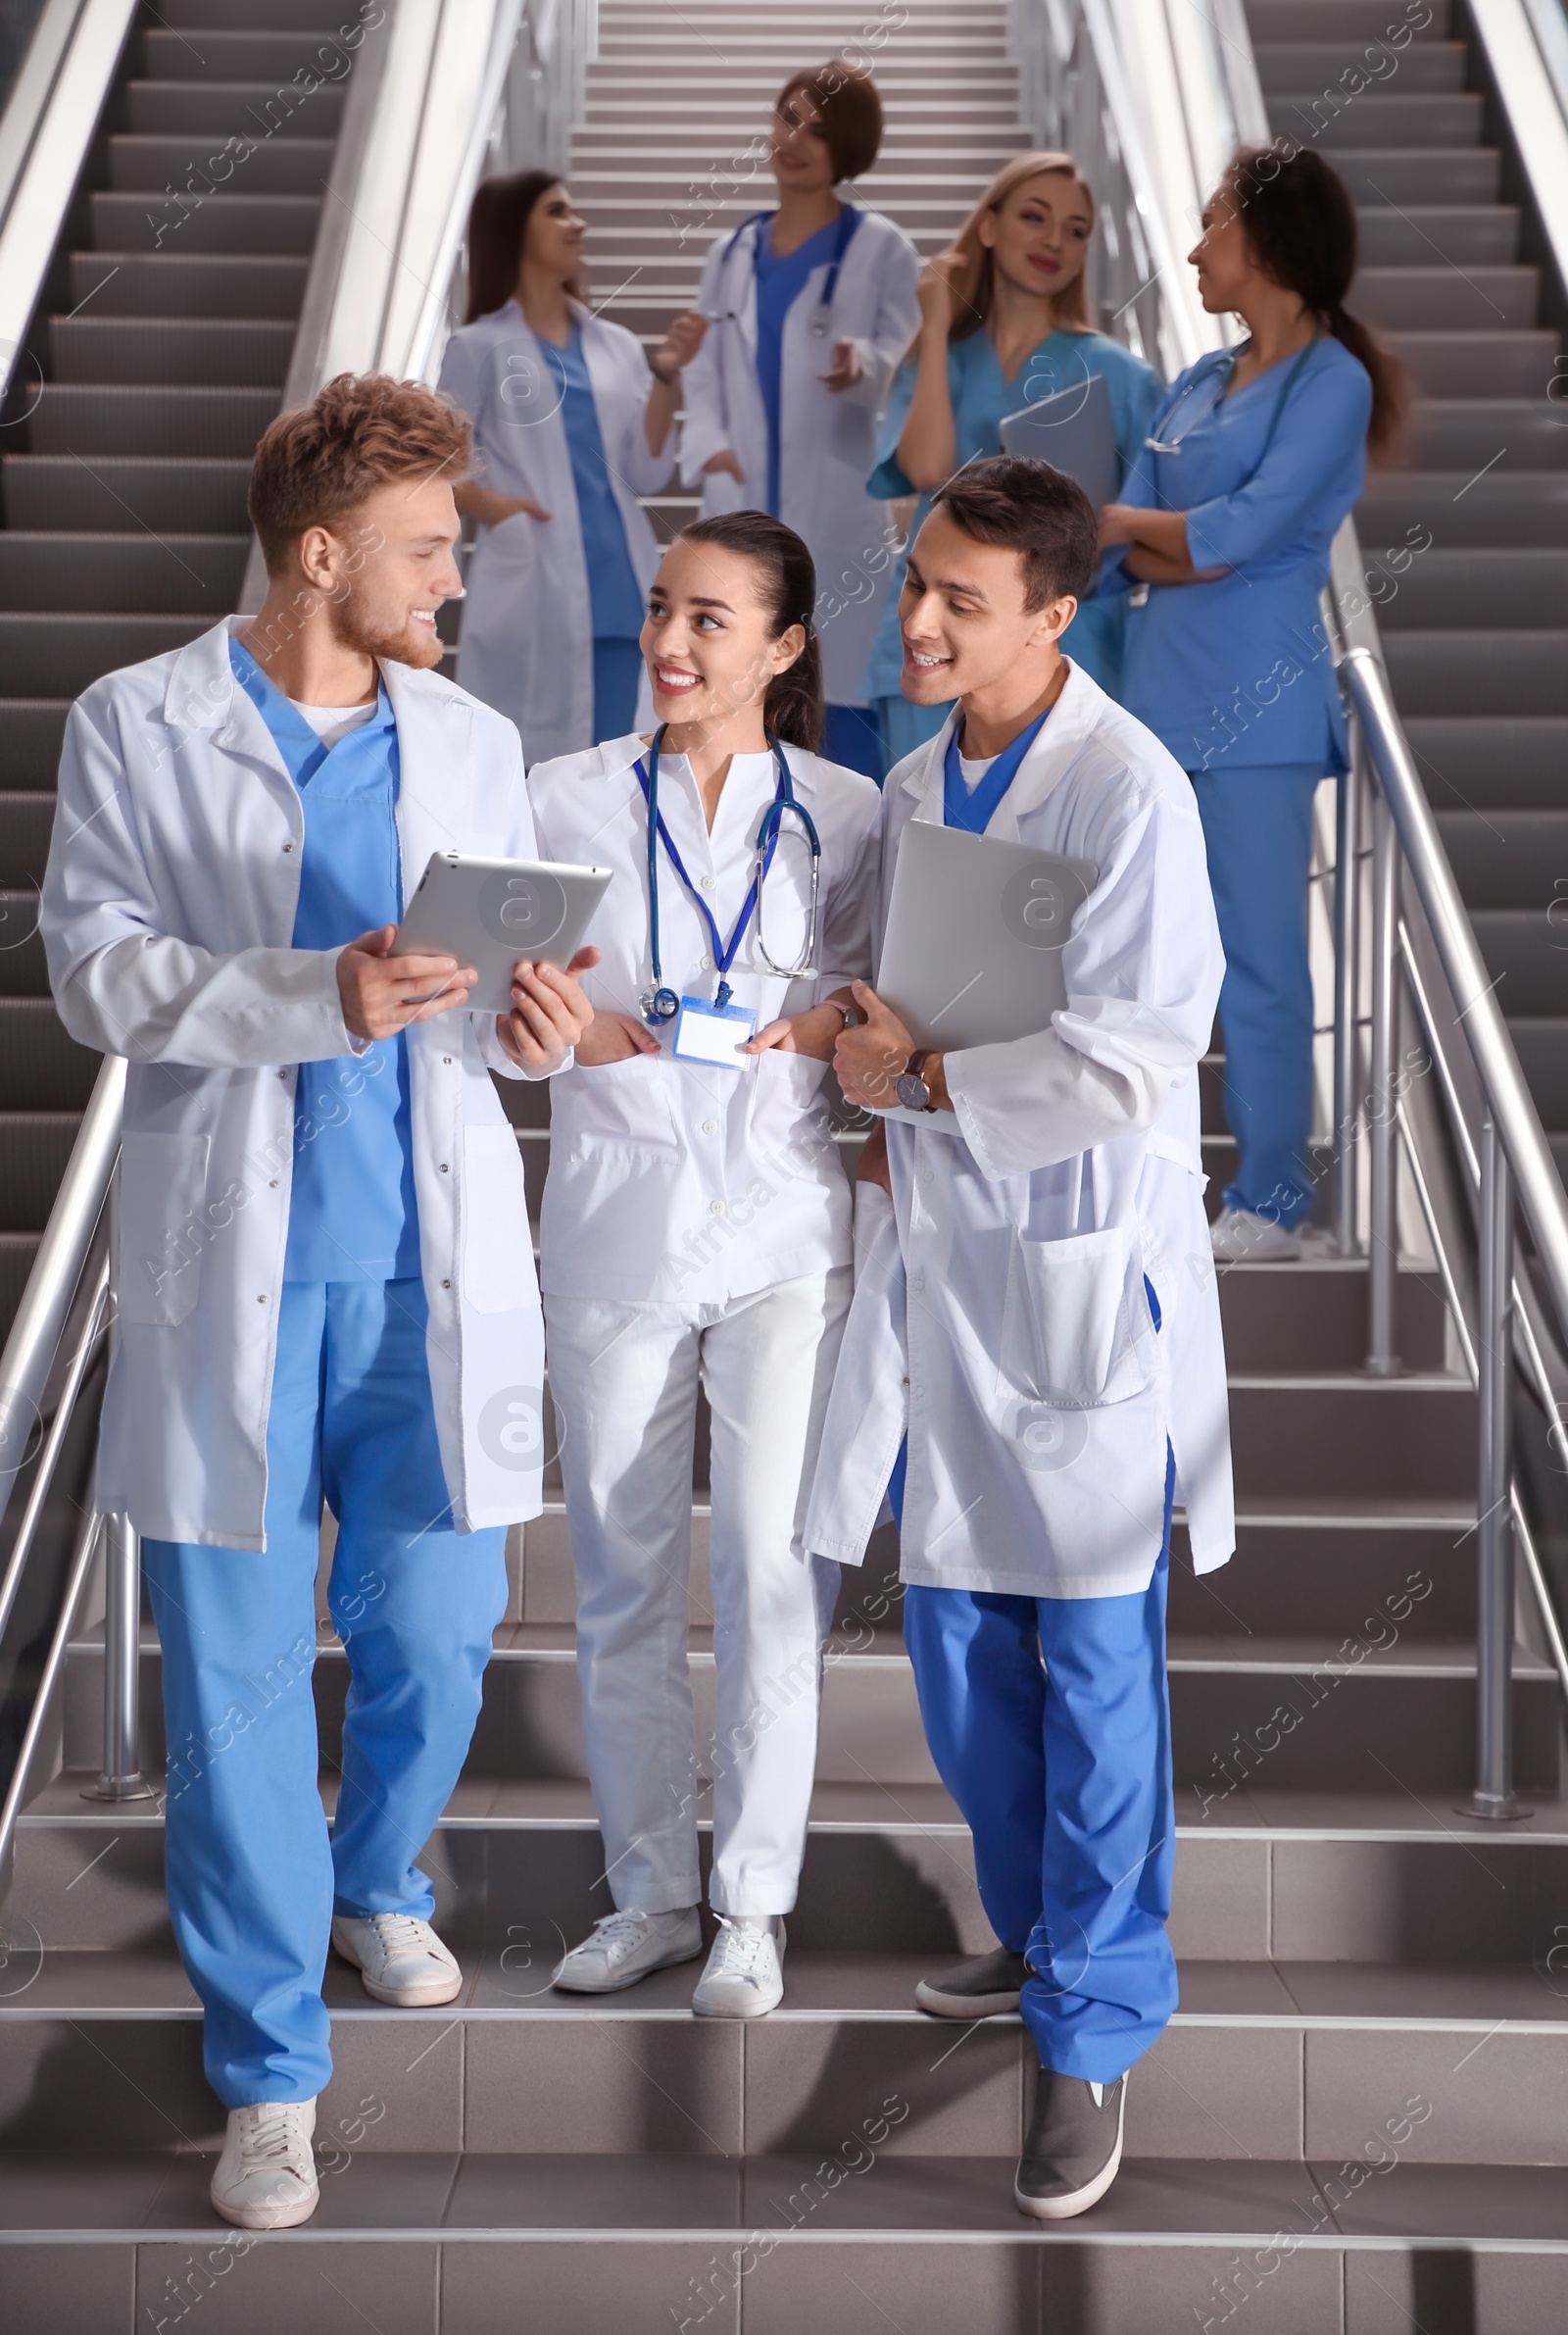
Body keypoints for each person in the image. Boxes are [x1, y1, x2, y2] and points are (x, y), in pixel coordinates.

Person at [40, 376, 595, 2233]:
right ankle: (269, 2069)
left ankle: (374, 1876)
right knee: (239, 1689)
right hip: (234, 1275)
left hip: (430, 1269)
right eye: (431, 548)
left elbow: (507, 992)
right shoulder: (137, 720)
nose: (455, 578)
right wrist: (309, 998)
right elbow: (98, 975)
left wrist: (538, 1031)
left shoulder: (472, 736)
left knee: (439, 1632)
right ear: (324, 552)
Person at [807, 456, 1233, 2220]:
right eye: (914, 584)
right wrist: (842, 1048)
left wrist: (933, 1076)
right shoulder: (913, 780)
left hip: (1069, 1282)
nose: (914, 619)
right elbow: (885, 992)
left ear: (1057, 613)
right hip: (945, 1267)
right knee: (963, 1662)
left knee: (1092, 1678)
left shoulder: (1128, 791)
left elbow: (1147, 1045)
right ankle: (1047, 1928)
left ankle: (1092, 2031)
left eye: (959, 600)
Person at [526, 512, 881, 2017]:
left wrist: (849, 1045)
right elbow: (494, 1004)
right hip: (615, 1219)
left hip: (788, 1220)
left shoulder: (852, 813)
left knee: (766, 1569)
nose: (672, 643)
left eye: (711, 620)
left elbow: (878, 1013)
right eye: (663, 609)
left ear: (785, 649)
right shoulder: (557, 799)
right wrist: (535, 1033)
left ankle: (753, 1905)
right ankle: (653, 1891)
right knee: (619, 1577)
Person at [1101, 145, 1405, 1262]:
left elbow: (1241, 532)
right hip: (1154, 702)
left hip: (1260, 710)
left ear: (1269, 240)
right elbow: (1129, 547)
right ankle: (1143, 1173)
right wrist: (1164, 541)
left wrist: (1157, 537)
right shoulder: (1192, 381)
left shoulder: (1332, 382)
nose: (1191, 248)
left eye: (1213, 225)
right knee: (1133, 960)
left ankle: (1273, 1196)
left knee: (1261, 962)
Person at [862, 152, 1161, 769]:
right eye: (1035, 217)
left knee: (1044, 848)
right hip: (933, 633)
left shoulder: (1124, 377)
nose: (1055, 240)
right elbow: (924, 470)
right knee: (920, 833)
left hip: (1063, 640)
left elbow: (1137, 529)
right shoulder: (938, 359)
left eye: (1076, 231)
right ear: (990, 228)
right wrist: (938, 325)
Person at [677, 64, 919, 781]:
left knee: (835, 709)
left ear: (849, 149)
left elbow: (909, 364)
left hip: (840, 509)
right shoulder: (732, 253)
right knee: (732, 697)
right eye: (788, 118)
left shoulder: (881, 250)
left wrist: (866, 364)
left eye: (819, 129)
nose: (796, 139)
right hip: (741, 495)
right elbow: (704, 365)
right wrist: (711, 447)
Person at [438, 171, 705, 761]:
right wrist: (497, 508)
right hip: (534, 579)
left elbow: (647, 469)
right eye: (557, 212)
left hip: (621, 583)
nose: (577, 224)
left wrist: (664, 377)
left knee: (621, 760)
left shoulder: (614, 345)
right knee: (530, 761)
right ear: (514, 231)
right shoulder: (477, 348)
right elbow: (436, 467)